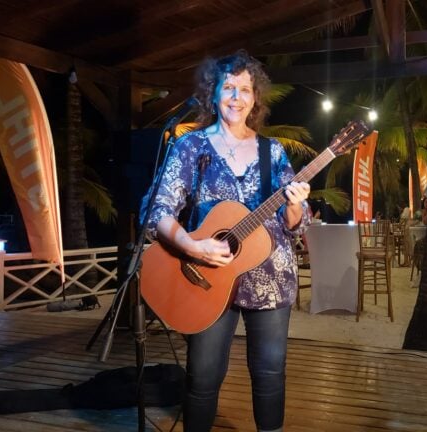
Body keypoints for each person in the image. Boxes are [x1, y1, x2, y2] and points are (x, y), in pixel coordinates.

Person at [142, 50, 311, 432]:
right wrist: (190, 245)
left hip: (269, 277)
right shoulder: (190, 147)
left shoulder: (273, 151)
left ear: (255, 99)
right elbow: (157, 210)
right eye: (229, 87)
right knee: (202, 377)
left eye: (245, 89)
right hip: (206, 275)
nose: (236, 97)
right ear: (214, 93)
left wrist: (297, 207)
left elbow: (294, 224)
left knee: (269, 374)